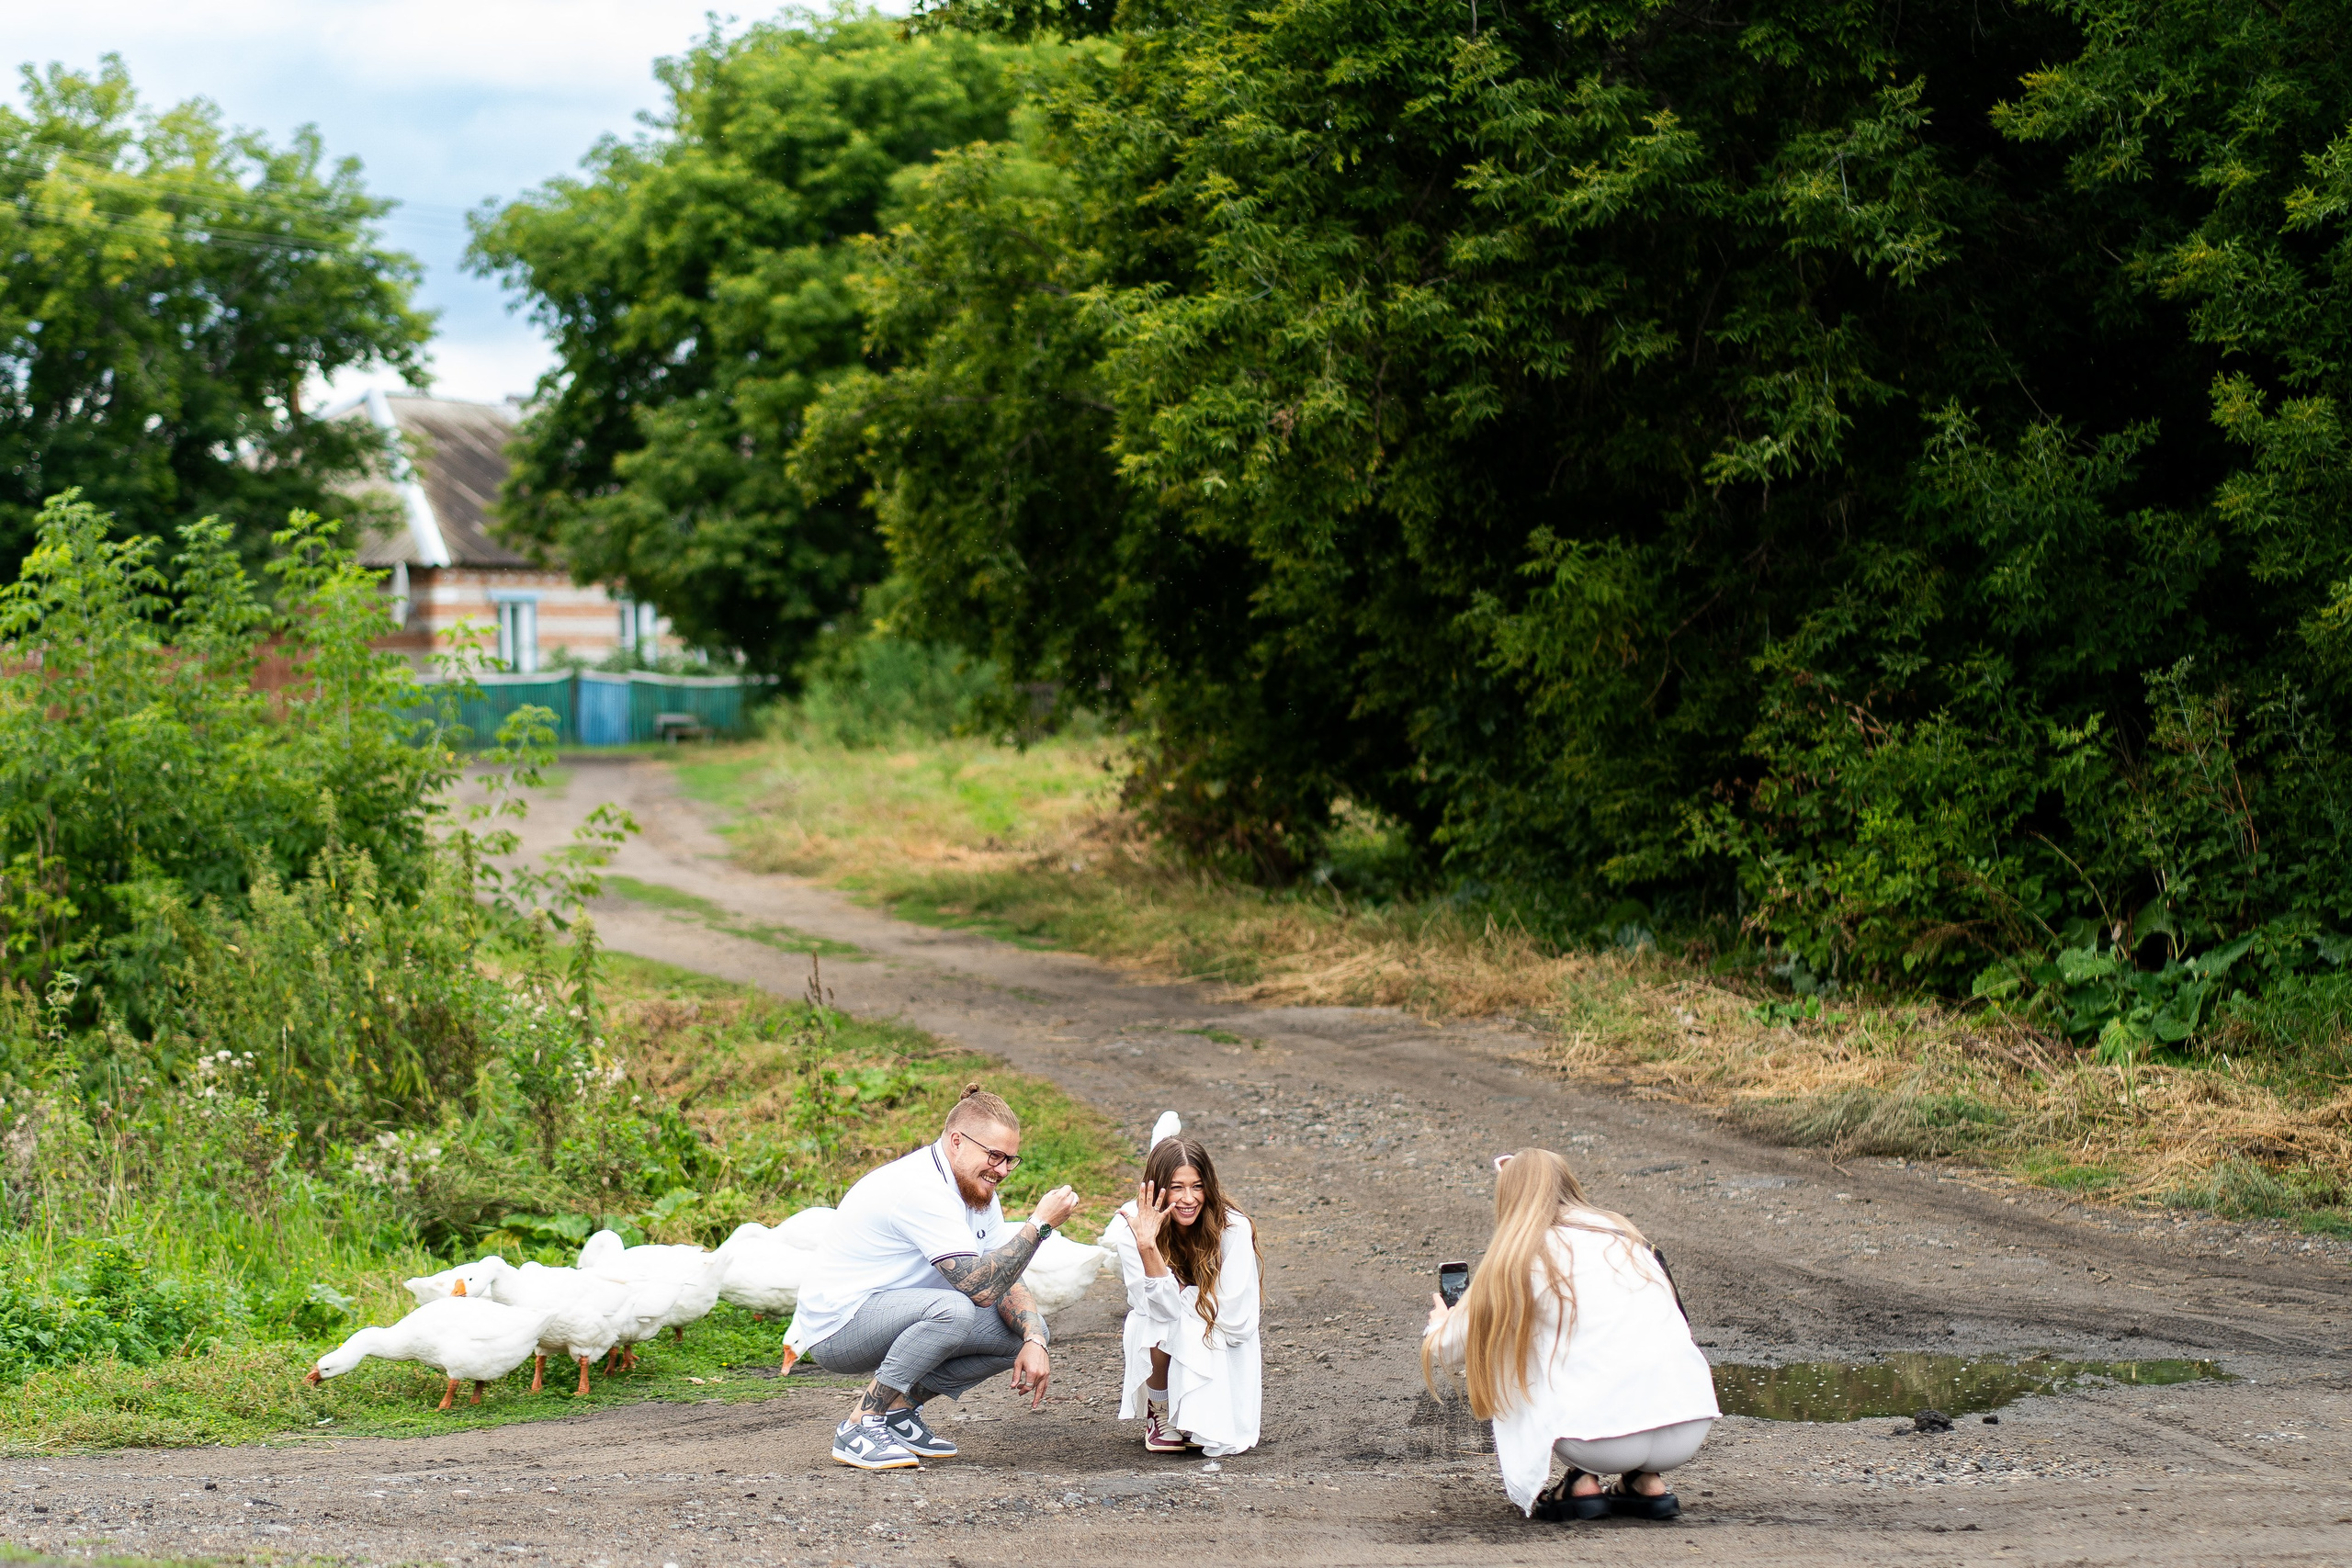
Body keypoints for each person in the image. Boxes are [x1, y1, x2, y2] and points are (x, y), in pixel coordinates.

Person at [786, 1084, 1081, 1470]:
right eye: (994, 1156)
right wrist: (1039, 1225)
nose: (1002, 1170)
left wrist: (1035, 1339)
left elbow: (1003, 1277)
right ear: (957, 1141)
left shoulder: (976, 1190)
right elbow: (981, 1287)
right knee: (954, 1309)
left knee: (1024, 1331)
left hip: (899, 1314)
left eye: (1010, 1159)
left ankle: (897, 1410)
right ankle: (860, 1425)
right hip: (838, 1328)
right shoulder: (920, 1188)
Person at [1421, 1147, 1718, 1522]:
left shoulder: (1519, 1256)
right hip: (1687, 1428)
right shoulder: (1630, 1239)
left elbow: (1449, 1349)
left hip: (1597, 1444)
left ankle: (1581, 1483)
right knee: (1605, 1338)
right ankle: (1645, 1481)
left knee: (1521, 1345)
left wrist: (1440, 1322)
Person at [1103, 1129, 1261, 1456]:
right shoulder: (1132, 1227)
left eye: (1197, 1186)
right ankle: (1160, 1410)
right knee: (1150, 1319)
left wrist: (1182, 1294)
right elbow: (1157, 1309)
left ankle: (1197, 1413)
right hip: (1171, 1325)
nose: (1189, 1199)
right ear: (1157, 1189)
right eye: (1177, 1187)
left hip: (1222, 1337)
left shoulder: (1233, 1228)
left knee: (1181, 1317)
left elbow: (1235, 1319)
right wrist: (1148, 1247)